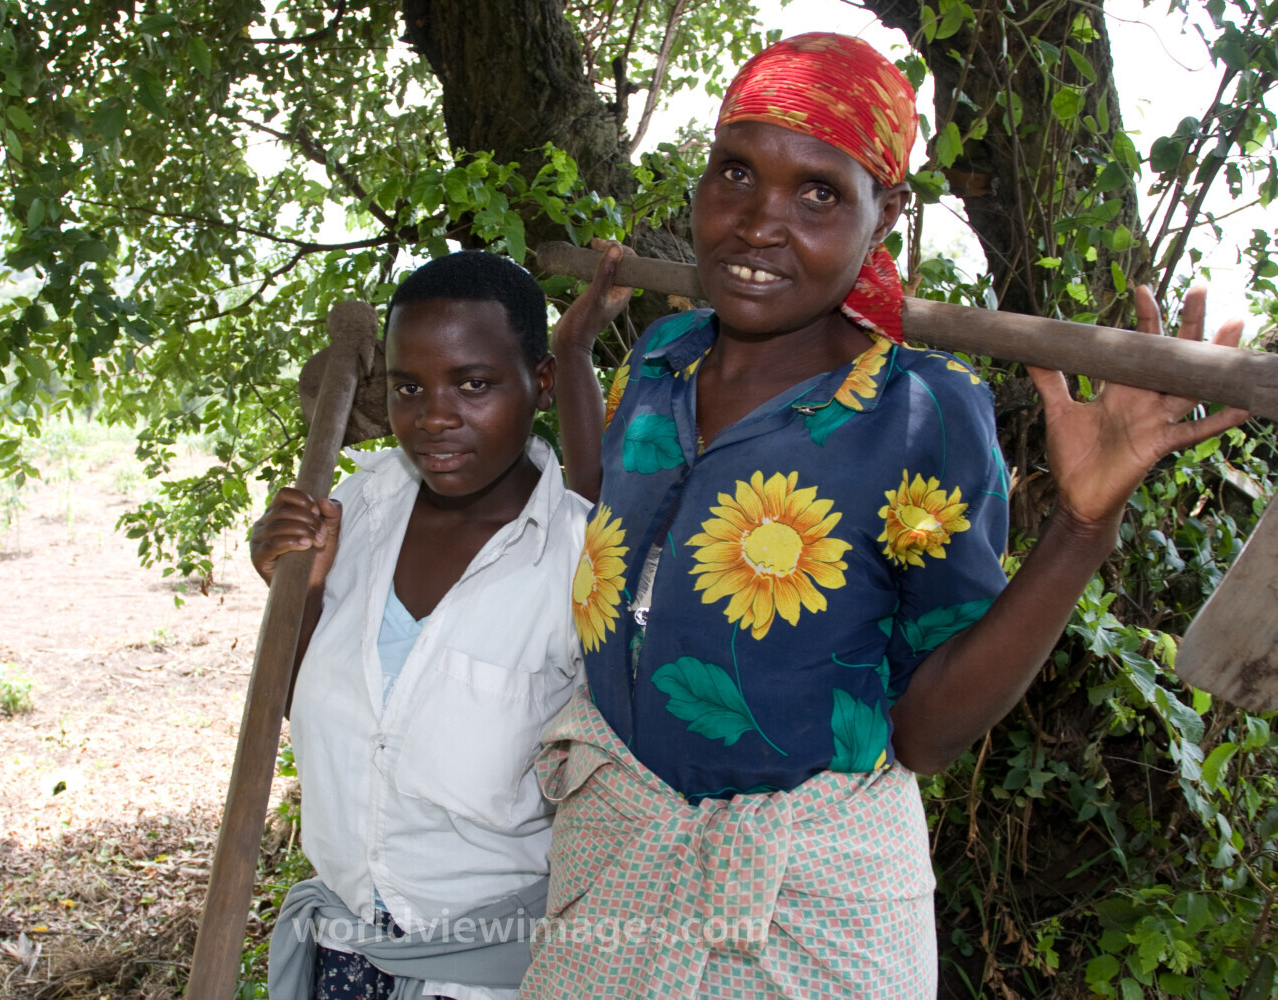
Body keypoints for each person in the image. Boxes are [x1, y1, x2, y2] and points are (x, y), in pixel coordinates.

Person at [522, 32, 1249, 999]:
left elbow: (926, 734)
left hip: (809, 907)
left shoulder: (922, 412)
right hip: (614, 851)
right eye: (735, 173)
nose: (758, 224)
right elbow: (617, 519)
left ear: (885, 214)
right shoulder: (662, 357)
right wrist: (573, 361)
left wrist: (1080, 530)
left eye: (819, 192)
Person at [251, 251, 590, 1000]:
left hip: (493, 974)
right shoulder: (355, 511)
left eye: (473, 384)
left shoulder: (583, 563)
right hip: (340, 953)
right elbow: (310, 714)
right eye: (410, 386)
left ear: (539, 384)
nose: (434, 417)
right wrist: (297, 593)